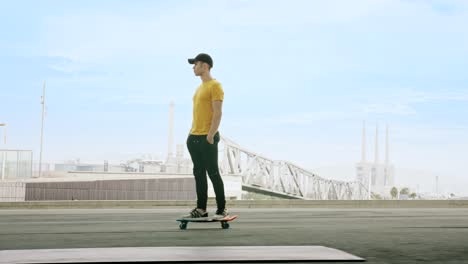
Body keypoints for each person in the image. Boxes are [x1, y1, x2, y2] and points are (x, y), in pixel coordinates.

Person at [183, 53, 228, 219]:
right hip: (193, 137)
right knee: (199, 173)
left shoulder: (215, 86)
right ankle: (201, 208)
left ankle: (222, 208)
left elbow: (217, 113)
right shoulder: (199, 88)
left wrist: (210, 135)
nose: (193, 68)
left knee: (213, 173)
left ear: (205, 66)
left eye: (195, 64)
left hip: (207, 137)